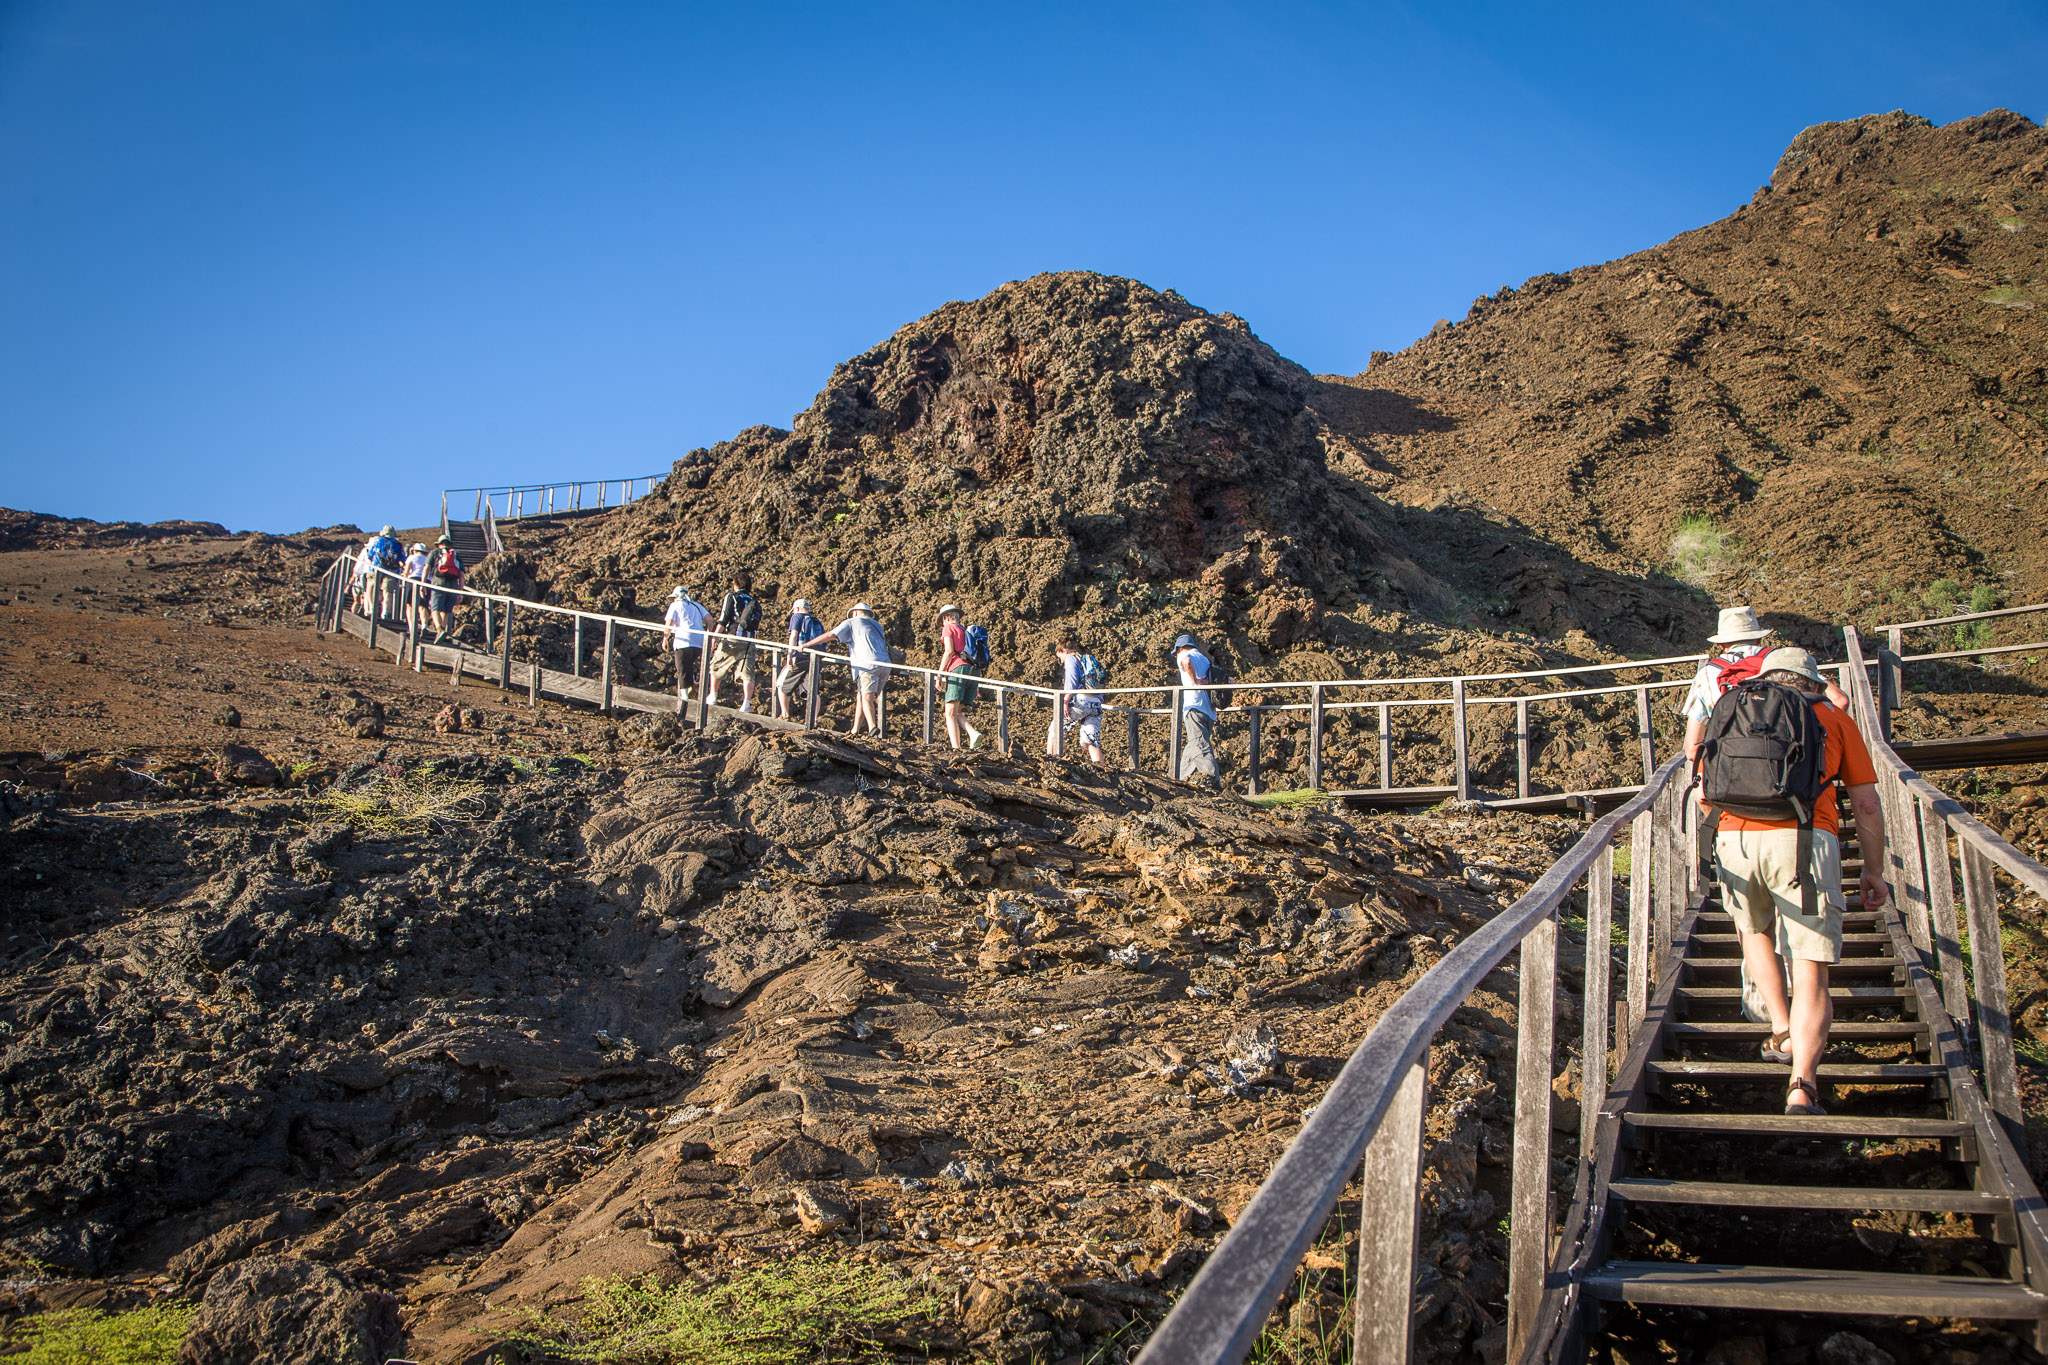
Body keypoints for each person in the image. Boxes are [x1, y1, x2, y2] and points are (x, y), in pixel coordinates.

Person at [1705, 646, 1888, 1118]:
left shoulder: (1736, 708)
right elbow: (1866, 805)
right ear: (1813, 681)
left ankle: (1782, 1030)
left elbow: (1706, 793)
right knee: (1809, 969)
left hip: (1736, 840)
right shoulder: (1833, 718)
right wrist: (1872, 870)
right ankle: (1801, 1086)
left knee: (1754, 933)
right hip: (1805, 840)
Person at [1680, 605, 1847, 766]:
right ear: (1759, 639)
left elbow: (1692, 750)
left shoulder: (1706, 675)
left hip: (1733, 776)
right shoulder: (1786, 660)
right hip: (1795, 768)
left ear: (1721, 645)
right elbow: (1840, 700)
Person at [806, 602, 891, 735]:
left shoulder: (852, 621)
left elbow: (830, 635)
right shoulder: (877, 625)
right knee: (862, 696)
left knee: (866, 697)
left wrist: (807, 645)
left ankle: (872, 727)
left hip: (867, 665)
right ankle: (855, 729)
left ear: (855, 612)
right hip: (885, 666)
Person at [708, 570, 762, 713]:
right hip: (749, 640)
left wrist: (715, 636)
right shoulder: (754, 602)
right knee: (747, 672)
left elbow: (724, 618)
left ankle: (713, 695)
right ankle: (746, 704)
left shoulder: (732, 597)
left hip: (733, 637)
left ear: (736, 584)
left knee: (716, 665)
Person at [1172, 633, 1221, 791]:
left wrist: (1194, 682)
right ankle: (1179, 780)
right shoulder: (1205, 659)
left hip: (1194, 706)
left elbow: (1186, 661)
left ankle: (1214, 783)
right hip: (1209, 710)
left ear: (1180, 648)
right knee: (1192, 746)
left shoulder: (1184, 655)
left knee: (1201, 746)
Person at [1047, 635, 1105, 763]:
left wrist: (1065, 702)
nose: (1061, 661)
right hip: (1096, 703)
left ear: (1065, 651)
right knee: (1090, 739)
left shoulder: (1071, 659)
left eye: (1060, 657)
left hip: (1082, 701)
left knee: (1055, 727)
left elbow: (1071, 683)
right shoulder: (1083, 659)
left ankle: (1049, 760)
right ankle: (1102, 768)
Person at [937, 604, 985, 750]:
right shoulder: (967, 631)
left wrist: (939, 674)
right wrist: (975, 685)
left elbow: (949, 651)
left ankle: (956, 748)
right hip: (973, 671)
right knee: (956, 712)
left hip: (958, 669)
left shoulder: (948, 628)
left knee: (949, 713)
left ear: (946, 618)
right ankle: (972, 733)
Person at [774, 598, 827, 720]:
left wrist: (789, 655)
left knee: (781, 684)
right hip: (815, 659)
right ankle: (813, 720)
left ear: (796, 609)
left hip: (800, 657)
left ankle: (784, 715)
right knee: (812, 690)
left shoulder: (797, 617)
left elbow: (794, 636)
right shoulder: (816, 621)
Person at [662, 586, 710, 699]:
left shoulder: (675, 605)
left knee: (681, 667)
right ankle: (691, 683)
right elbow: (710, 620)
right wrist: (708, 634)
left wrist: (665, 638)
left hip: (683, 640)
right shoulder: (697, 605)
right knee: (689, 664)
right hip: (699, 641)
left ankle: (684, 697)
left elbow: (669, 623)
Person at [426, 534, 464, 642]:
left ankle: (439, 629)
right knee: (446, 610)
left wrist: (423, 583)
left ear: (439, 545)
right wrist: (460, 592)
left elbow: (427, 567)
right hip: (453, 584)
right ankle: (442, 632)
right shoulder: (455, 554)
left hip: (438, 582)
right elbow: (461, 575)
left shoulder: (435, 552)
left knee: (435, 608)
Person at [401, 542, 430, 631]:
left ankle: (412, 626)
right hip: (426, 581)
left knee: (410, 605)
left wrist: (404, 581)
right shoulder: (427, 559)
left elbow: (407, 571)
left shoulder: (412, 557)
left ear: (414, 551)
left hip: (413, 579)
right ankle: (424, 625)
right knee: (423, 605)